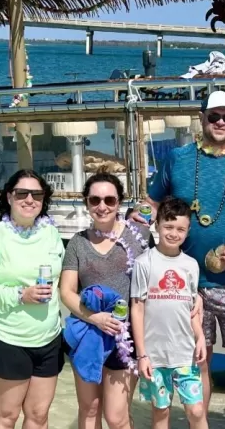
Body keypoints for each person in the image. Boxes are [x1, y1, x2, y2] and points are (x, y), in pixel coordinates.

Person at [132, 90, 225, 429]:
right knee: (200, 363)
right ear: (202, 119)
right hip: (184, 283)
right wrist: (130, 216)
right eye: (214, 116)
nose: (221, 122)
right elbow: (150, 203)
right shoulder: (179, 158)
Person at [0, 169, 64, 429]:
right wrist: (21, 295)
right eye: (22, 193)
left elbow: (64, 278)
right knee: (6, 417)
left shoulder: (51, 234)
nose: (30, 199)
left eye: (37, 194)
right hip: (5, 340)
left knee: (39, 415)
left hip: (49, 339)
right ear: (9, 197)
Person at [60, 172, 153, 429]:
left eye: (110, 200)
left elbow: (160, 273)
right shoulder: (77, 243)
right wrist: (95, 318)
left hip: (126, 335)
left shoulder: (140, 237)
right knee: (89, 410)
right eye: (95, 200)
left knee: (116, 416)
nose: (102, 206)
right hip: (88, 333)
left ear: (120, 203)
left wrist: (193, 297)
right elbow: (66, 291)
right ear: (87, 203)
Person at [131, 197, 208, 429]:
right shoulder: (144, 263)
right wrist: (142, 354)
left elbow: (192, 307)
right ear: (157, 226)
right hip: (155, 356)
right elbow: (137, 308)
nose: (174, 233)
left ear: (188, 231)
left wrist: (201, 337)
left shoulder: (191, 265)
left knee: (196, 411)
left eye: (180, 229)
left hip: (185, 353)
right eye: (169, 227)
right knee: (161, 411)